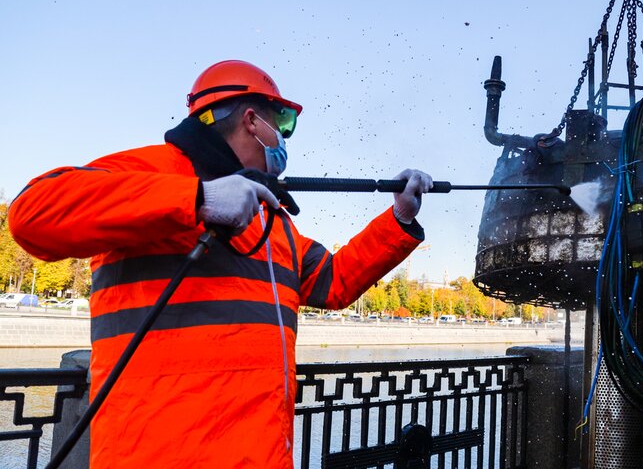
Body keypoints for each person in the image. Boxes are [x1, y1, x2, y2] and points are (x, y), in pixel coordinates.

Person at [8, 59, 432, 468]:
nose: (284, 139)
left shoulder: (272, 221)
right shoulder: (155, 170)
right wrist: (197, 199)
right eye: (283, 124)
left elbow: (333, 281)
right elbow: (31, 213)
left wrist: (399, 218)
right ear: (252, 120)